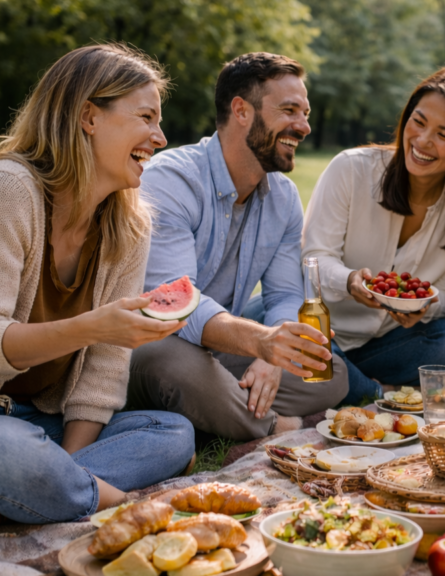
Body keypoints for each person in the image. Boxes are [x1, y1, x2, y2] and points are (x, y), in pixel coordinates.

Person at [0, 44, 195, 552]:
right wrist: (95, 325)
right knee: (15, 458)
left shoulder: (126, 224)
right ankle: (84, 492)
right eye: (146, 117)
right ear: (87, 117)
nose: (160, 138)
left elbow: (101, 376)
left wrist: (64, 464)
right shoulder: (3, 190)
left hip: (36, 421)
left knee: (171, 431)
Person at [127, 53, 348, 441]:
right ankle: (278, 426)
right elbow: (179, 305)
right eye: (290, 110)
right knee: (179, 367)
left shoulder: (283, 197)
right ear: (241, 111)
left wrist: (277, 351)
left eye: (306, 112)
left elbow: (284, 294)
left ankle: (214, 412)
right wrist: (262, 344)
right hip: (151, 342)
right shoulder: (171, 181)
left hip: (224, 341)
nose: (304, 126)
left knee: (329, 373)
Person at [302, 66, 445, 404]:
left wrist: (424, 308)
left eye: (444, 134)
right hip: (323, 332)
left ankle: (346, 386)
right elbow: (313, 260)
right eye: (419, 121)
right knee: (300, 348)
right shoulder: (351, 169)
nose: (423, 141)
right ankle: (380, 394)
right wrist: (352, 281)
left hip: (387, 345)